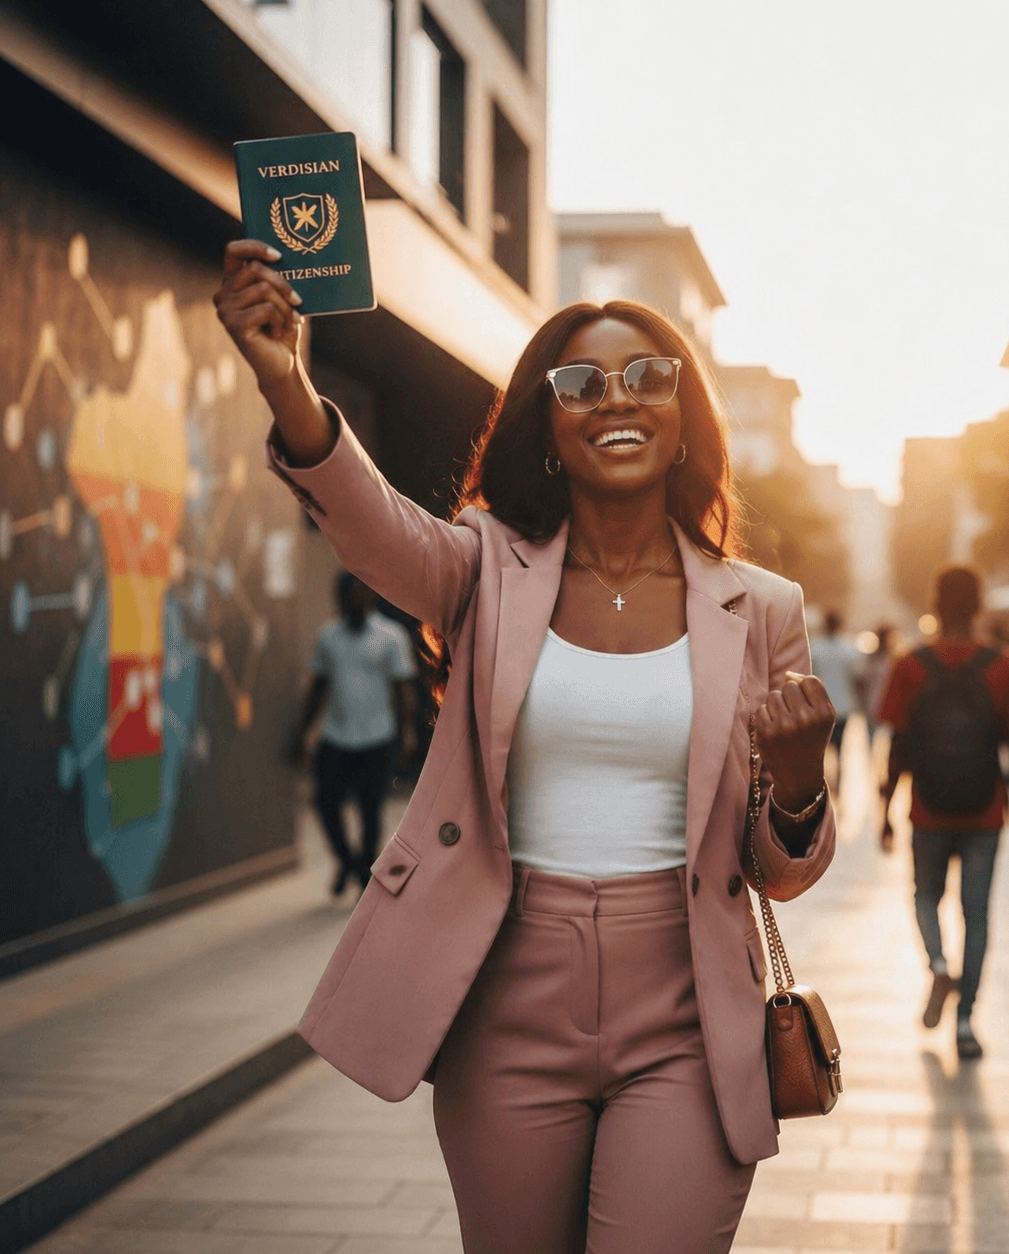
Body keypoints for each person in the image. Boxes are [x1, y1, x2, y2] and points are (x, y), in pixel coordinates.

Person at [214, 241, 837, 1254]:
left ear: (685, 420)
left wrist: (803, 786)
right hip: (505, 998)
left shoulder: (762, 610)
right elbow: (372, 530)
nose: (616, 398)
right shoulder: (480, 570)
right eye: (580, 382)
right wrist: (289, 382)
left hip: (687, 1006)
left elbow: (778, 868)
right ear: (549, 427)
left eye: (647, 376)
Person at [879, 567, 1009, 1061]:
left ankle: (938, 963)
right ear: (979, 606)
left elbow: (898, 744)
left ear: (934, 603)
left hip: (927, 809)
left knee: (924, 896)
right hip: (985, 811)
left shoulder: (910, 665)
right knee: (977, 915)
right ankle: (966, 1021)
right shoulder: (1005, 665)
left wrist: (885, 808)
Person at [290, 572, 418, 894]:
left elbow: (403, 689)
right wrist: (302, 732)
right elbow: (318, 688)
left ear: (371, 597)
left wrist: (407, 732)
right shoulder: (329, 637)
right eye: (349, 594)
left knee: (370, 809)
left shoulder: (391, 636)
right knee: (325, 802)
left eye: (361, 593)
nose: (355, 600)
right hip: (337, 736)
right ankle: (349, 862)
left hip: (377, 736)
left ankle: (364, 870)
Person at [808, 609, 862, 792]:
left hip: (819, 706)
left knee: (820, 749)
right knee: (840, 747)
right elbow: (857, 677)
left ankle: (820, 783)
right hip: (842, 706)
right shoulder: (849, 650)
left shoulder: (815, 648)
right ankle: (838, 782)